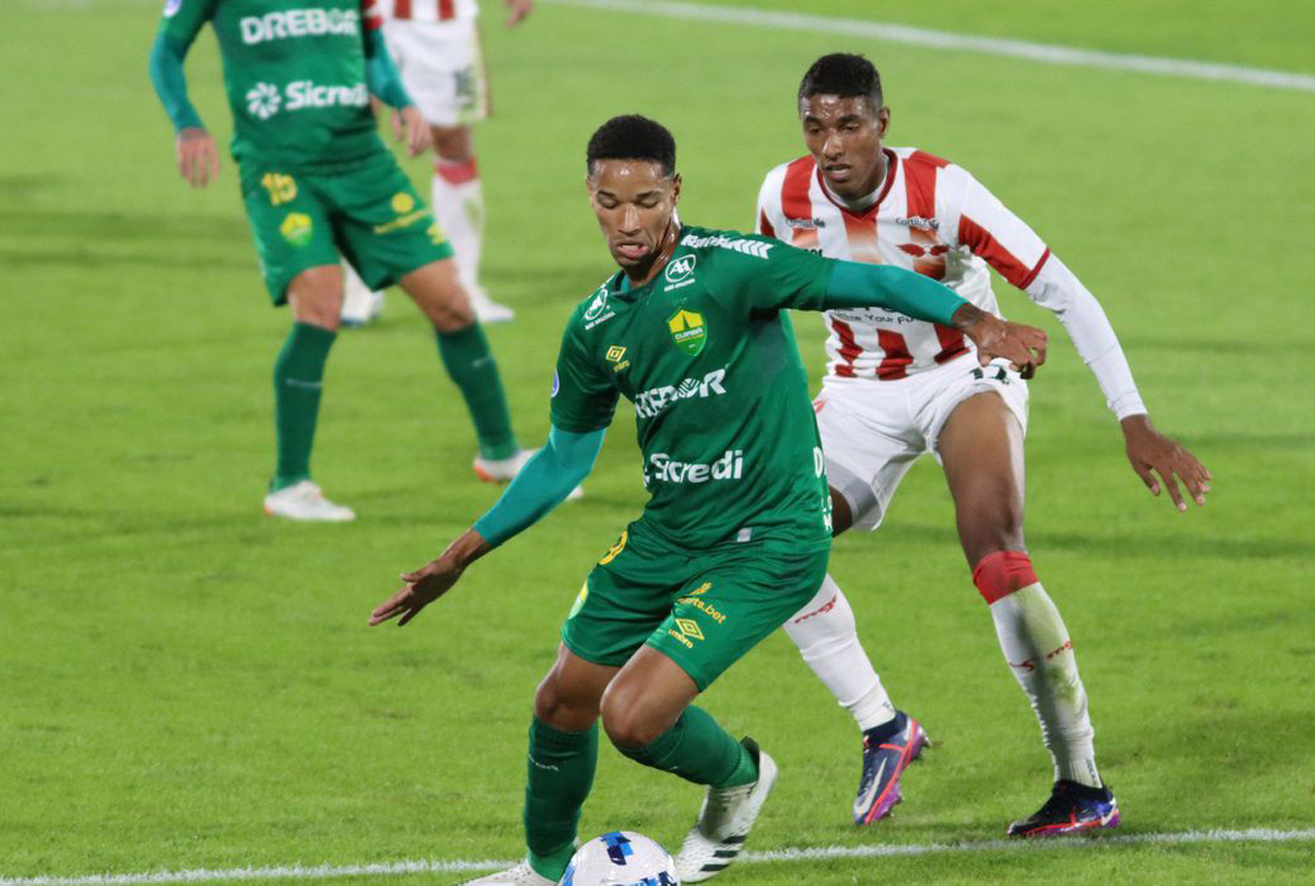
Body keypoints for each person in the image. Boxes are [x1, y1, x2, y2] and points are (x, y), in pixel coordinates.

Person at [368, 114, 1047, 884]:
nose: (627, 223)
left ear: (674, 193)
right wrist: (459, 556)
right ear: (589, 196)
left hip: (769, 541)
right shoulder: (595, 326)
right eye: (609, 203)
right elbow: (562, 458)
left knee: (631, 717)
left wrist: (975, 320)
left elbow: (870, 281)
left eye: (645, 201)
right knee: (561, 701)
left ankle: (740, 778)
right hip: (670, 532)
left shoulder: (730, 267)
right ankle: (544, 871)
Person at [756, 53, 1212, 835]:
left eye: (848, 125)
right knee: (769, 540)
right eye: (814, 127)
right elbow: (761, 301)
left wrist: (1131, 417)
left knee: (996, 552)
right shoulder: (780, 195)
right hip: (856, 392)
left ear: (881, 124)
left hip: (961, 374)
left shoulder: (943, 192)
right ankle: (882, 725)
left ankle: (1081, 785)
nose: (830, 145)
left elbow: (1063, 291)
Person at [148, 0, 535, 521]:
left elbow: (372, 46)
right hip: (280, 168)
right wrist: (188, 124)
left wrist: (401, 100)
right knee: (320, 307)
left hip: (364, 163)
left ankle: (500, 453)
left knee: (452, 304)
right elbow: (166, 53)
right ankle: (290, 485)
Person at [341, 0, 532, 325]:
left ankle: (461, 285)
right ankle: (361, 283)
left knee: (453, 142)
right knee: (355, 137)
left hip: (445, 19)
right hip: (364, 12)